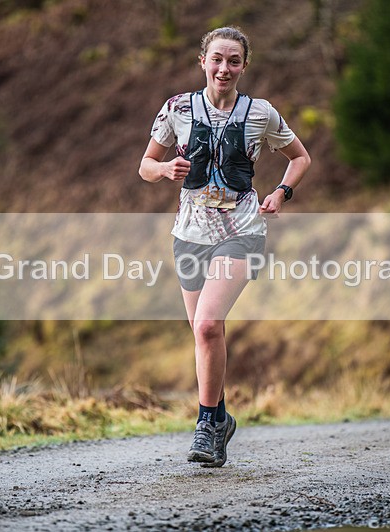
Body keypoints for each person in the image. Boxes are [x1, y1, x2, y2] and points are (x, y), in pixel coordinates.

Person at [139, 26, 311, 466]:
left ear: (244, 66)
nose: (224, 68)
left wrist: (281, 194)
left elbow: (300, 157)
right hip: (189, 232)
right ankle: (219, 419)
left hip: (242, 228)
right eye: (217, 59)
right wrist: (163, 171)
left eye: (233, 61)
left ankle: (205, 423)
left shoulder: (261, 113)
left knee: (207, 325)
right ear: (203, 61)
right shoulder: (177, 108)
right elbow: (145, 164)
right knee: (200, 333)